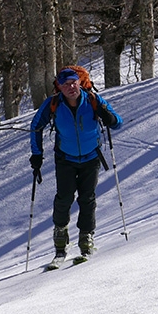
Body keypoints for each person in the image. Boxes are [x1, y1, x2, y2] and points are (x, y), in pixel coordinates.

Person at [29, 66, 122, 266]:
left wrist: (109, 117)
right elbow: (35, 126)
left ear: (79, 82)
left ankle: (86, 239)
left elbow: (117, 123)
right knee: (64, 199)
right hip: (66, 159)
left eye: (74, 82)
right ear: (60, 88)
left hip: (91, 157)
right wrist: (36, 155)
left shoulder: (93, 100)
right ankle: (60, 241)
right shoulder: (53, 104)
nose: (71, 87)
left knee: (87, 198)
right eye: (66, 85)